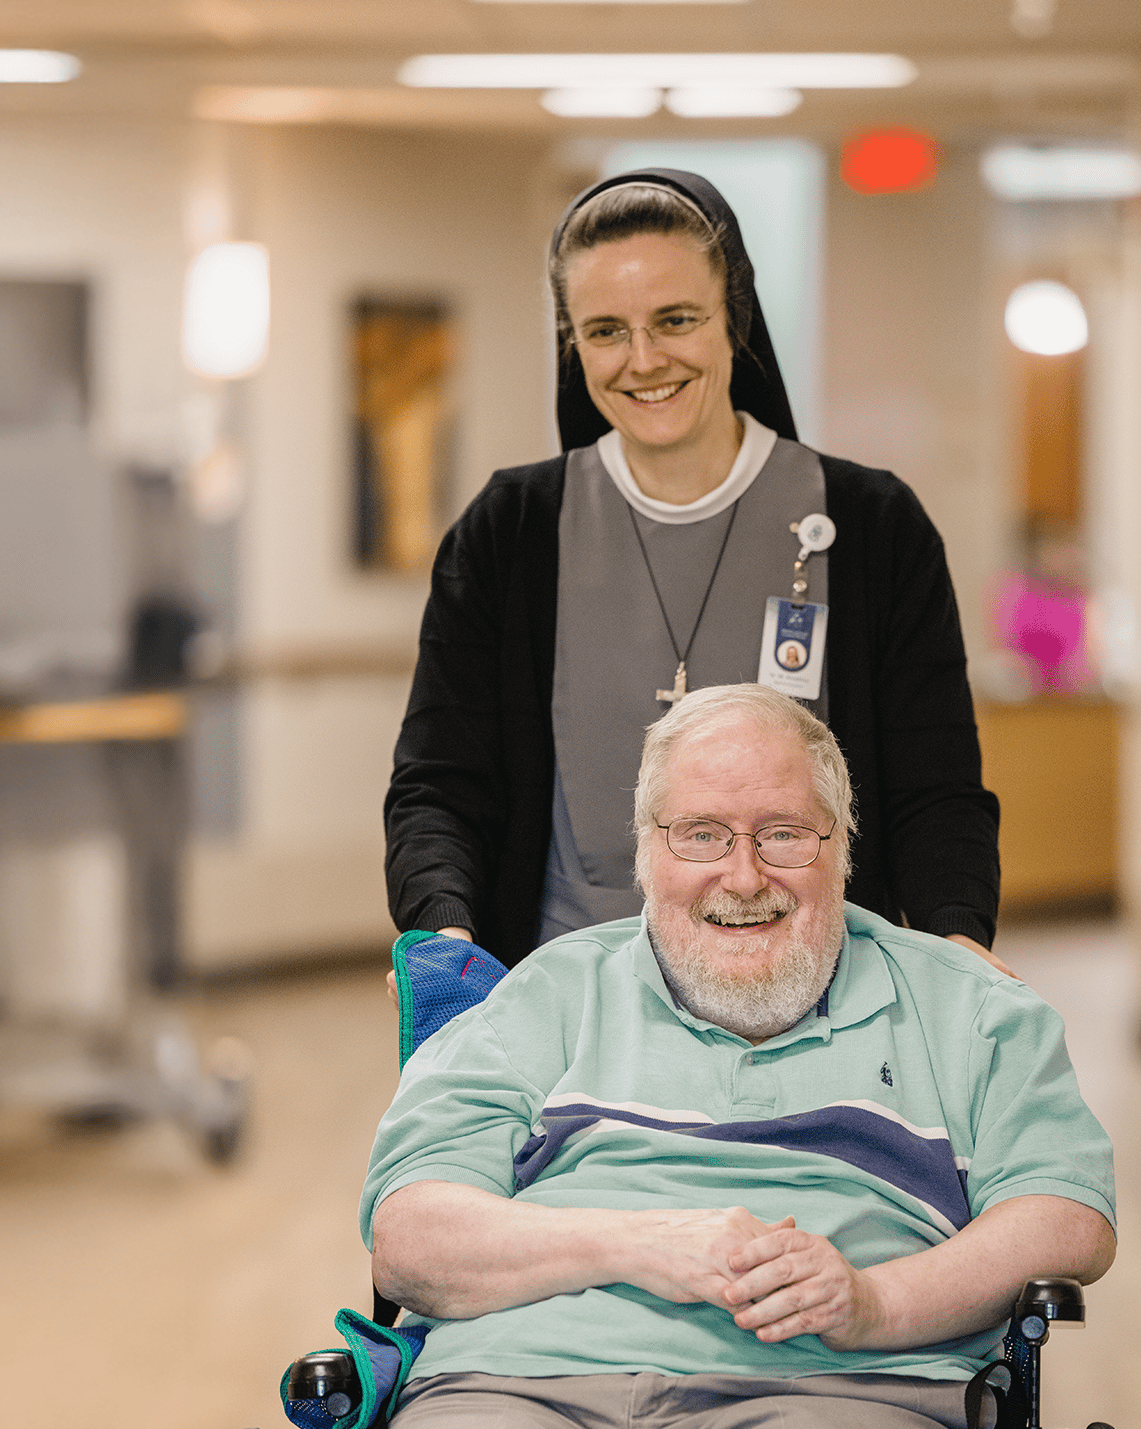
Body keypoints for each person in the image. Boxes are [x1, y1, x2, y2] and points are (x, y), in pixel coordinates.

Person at [354, 683, 1115, 1429]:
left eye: (784, 834)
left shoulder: (967, 1005)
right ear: (647, 847)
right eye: (702, 833)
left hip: (830, 1395)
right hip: (518, 1395)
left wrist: (874, 1301)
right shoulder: (544, 995)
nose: (743, 875)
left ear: (842, 845)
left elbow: (1068, 1216)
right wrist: (633, 1242)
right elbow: (412, 1234)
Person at [384, 167, 1009, 974]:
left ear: (734, 319)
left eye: (675, 318)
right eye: (605, 330)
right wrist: (445, 931)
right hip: (571, 1016)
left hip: (818, 1016)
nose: (643, 360)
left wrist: (957, 939)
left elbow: (937, 793)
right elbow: (438, 786)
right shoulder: (508, 535)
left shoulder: (874, 529)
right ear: (574, 342)